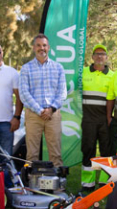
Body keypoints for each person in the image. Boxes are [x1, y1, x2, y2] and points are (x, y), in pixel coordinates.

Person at [19, 34, 67, 166]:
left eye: (44, 45)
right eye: (39, 45)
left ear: (49, 47)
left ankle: (57, 185)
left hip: (53, 115)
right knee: (32, 154)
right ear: (34, 48)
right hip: (33, 115)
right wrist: (40, 111)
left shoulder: (58, 68)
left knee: (55, 153)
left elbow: (62, 92)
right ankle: (32, 185)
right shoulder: (26, 68)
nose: (42, 48)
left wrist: (50, 110)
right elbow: (24, 93)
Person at [80, 44, 114, 193]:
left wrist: (110, 117)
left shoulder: (112, 76)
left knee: (106, 151)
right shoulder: (83, 72)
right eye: (97, 54)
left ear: (106, 58)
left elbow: (113, 99)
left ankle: (104, 182)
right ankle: (88, 184)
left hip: (104, 119)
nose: (100, 56)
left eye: (103, 54)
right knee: (88, 150)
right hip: (88, 119)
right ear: (92, 57)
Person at [0, 45, 23, 186]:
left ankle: (7, 190)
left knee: (6, 159)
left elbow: (19, 98)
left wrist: (17, 117)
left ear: (2, 53)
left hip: (6, 123)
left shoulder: (12, 73)